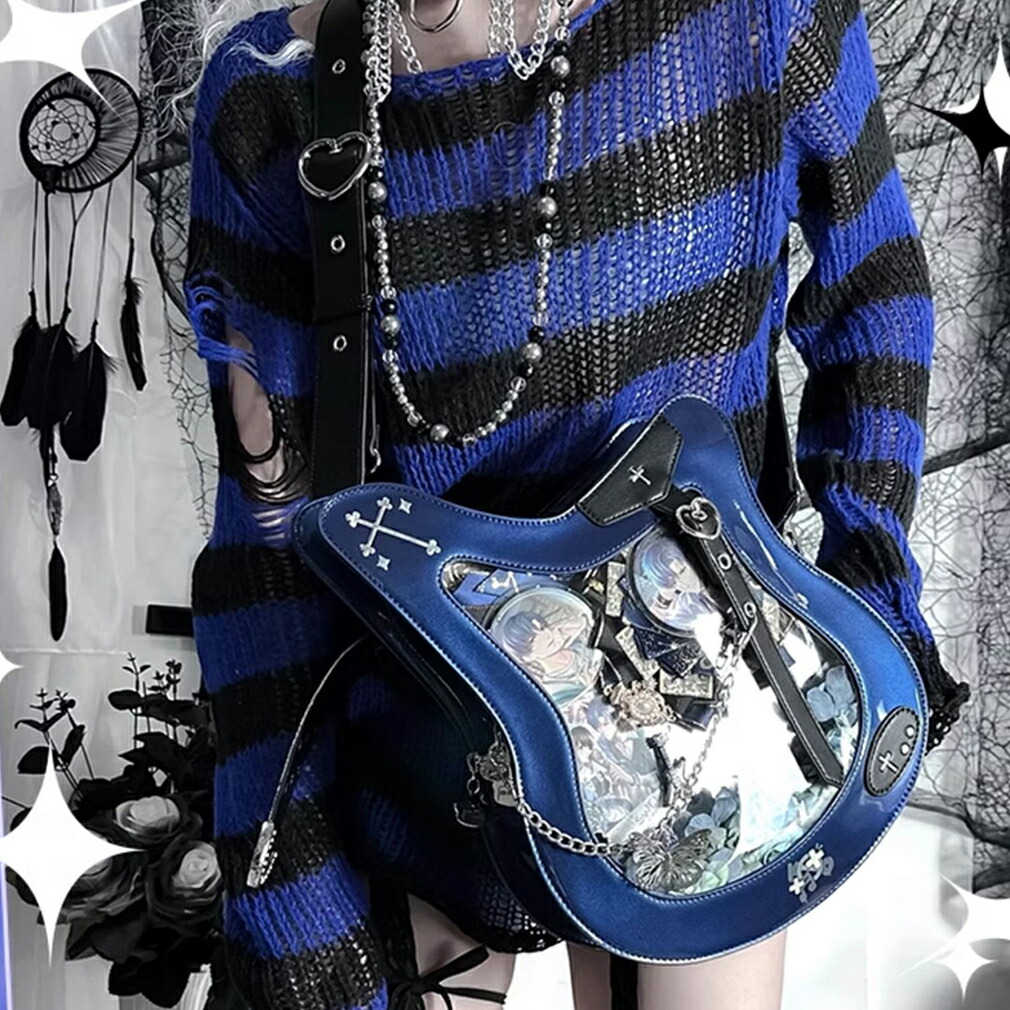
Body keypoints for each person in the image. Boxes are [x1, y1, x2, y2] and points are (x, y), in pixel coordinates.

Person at [179, 1, 972, 1008]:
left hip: (706, 738)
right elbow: (266, 548)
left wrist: (862, 606)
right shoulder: (273, 94)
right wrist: (289, 893)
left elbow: (876, 285)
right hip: (433, 760)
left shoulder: (748, 14)